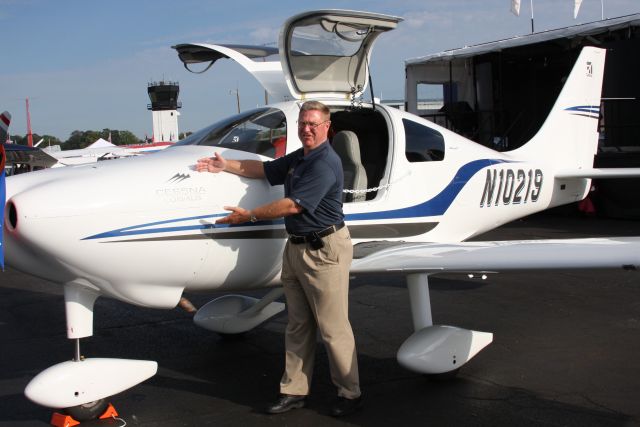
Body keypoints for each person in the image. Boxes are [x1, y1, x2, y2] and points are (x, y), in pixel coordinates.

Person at [195, 100, 362, 417]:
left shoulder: (324, 163)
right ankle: (294, 391)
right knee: (298, 325)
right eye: (302, 123)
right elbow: (266, 170)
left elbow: (292, 206)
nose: (307, 129)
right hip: (297, 247)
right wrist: (225, 165)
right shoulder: (302, 157)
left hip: (324, 249)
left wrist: (249, 216)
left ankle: (350, 394)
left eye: (313, 124)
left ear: (328, 127)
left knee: (332, 328)